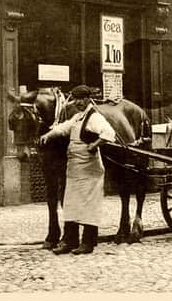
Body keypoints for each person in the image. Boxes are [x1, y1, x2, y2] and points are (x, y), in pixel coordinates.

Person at [39, 84, 115, 255]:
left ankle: (88, 243)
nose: (79, 102)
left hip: (89, 169)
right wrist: (48, 135)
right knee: (71, 204)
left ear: (89, 99)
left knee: (89, 206)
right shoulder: (78, 117)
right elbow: (64, 127)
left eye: (82, 98)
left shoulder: (94, 117)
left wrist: (94, 145)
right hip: (74, 170)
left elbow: (109, 133)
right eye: (76, 99)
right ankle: (70, 241)